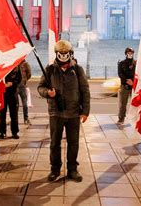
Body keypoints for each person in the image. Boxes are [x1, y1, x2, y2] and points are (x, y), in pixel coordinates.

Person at [38, 40, 90, 182]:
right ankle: (55, 169)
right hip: (56, 113)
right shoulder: (50, 69)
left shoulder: (77, 70)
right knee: (55, 143)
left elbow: (85, 91)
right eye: (60, 53)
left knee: (73, 143)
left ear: (70, 53)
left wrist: (85, 111)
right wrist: (48, 93)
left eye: (65, 53)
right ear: (56, 53)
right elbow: (40, 87)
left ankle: (72, 169)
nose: (63, 55)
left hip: (73, 113)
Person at [0, 65, 22, 139]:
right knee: (2, 114)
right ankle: (2, 132)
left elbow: (19, 79)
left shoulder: (16, 65)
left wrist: (12, 83)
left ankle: (14, 132)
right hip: (2, 94)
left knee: (14, 114)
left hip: (13, 93)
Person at [117, 47, 136, 124]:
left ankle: (135, 118)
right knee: (123, 104)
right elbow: (120, 74)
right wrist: (127, 81)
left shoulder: (136, 63)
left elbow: (138, 74)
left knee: (135, 103)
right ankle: (121, 118)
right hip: (125, 85)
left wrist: (133, 81)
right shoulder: (121, 63)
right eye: (129, 53)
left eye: (131, 53)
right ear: (126, 54)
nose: (130, 54)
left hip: (134, 86)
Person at [18, 59, 32, 124]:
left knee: (16, 103)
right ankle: (25, 119)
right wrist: (25, 80)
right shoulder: (26, 64)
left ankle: (15, 119)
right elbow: (29, 74)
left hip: (16, 85)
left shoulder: (14, 63)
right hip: (22, 85)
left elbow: (29, 74)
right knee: (24, 102)